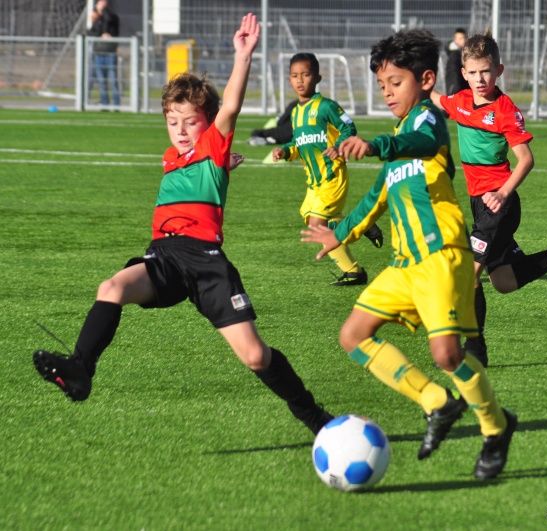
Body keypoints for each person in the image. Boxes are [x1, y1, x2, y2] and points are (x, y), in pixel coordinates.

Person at [32, 14, 332, 436]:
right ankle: (81, 369)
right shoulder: (171, 158)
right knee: (111, 288)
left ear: (207, 123)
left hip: (207, 262)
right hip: (165, 257)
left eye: (191, 121)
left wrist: (242, 56)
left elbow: (229, 106)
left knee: (254, 357)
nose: (182, 130)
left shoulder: (213, 143)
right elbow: (204, 170)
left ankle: (313, 416)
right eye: (173, 122)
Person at [301, 29, 516, 480]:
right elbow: (374, 198)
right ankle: (437, 403)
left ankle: (496, 428)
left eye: (395, 83)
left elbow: (417, 144)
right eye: (382, 85)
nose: (387, 92)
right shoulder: (399, 140)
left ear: (425, 80)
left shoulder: (425, 126)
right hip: (404, 266)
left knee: (445, 355)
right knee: (352, 337)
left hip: (441, 257)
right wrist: (338, 233)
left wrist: (378, 144)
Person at [429, 30, 547, 367]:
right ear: (464, 73)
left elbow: (526, 159)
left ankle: (475, 350)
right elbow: (434, 98)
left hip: (501, 204)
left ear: (499, 71)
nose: (480, 78)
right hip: (479, 204)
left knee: (467, 274)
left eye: (487, 71)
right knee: (504, 282)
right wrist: (411, 83)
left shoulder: (504, 110)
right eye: (474, 72)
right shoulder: (459, 102)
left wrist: (502, 192)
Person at [272, 53, 383, 286]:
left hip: (332, 175)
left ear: (317, 77)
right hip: (314, 182)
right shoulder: (295, 112)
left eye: (305, 74)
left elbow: (349, 128)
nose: (300, 80)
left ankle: (359, 244)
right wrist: (285, 151)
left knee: (318, 226)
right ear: (289, 80)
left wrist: (338, 147)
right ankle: (355, 266)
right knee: (314, 225)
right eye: (294, 75)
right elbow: (298, 142)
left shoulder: (326, 106)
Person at [88, 0, 120, 108]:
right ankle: (105, 102)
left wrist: (103, 10)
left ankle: (116, 104)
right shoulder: (97, 20)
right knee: (101, 81)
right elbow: (91, 32)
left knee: (113, 80)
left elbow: (108, 19)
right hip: (99, 53)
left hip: (110, 53)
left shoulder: (112, 17)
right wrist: (95, 19)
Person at [445, 28, 469, 95]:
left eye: (465, 38)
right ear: (455, 40)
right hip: (457, 92)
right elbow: (453, 75)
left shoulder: (463, 53)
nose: (463, 40)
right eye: (460, 38)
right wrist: (455, 92)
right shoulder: (454, 55)